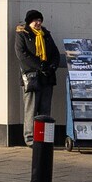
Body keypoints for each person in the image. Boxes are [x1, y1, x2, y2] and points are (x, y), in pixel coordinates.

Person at [13, 10, 61, 143]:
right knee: (31, 108)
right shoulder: (22, 34)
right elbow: (22, 55)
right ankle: (30, 138)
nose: (38, 23)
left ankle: (44, 137)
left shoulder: (46, 34)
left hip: (47, 77)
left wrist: (52, 67)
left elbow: (55, 53)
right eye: (35, 20)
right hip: (32, 77)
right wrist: (40, 66)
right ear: (29, 22)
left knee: (45, 108)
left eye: (40, 20)